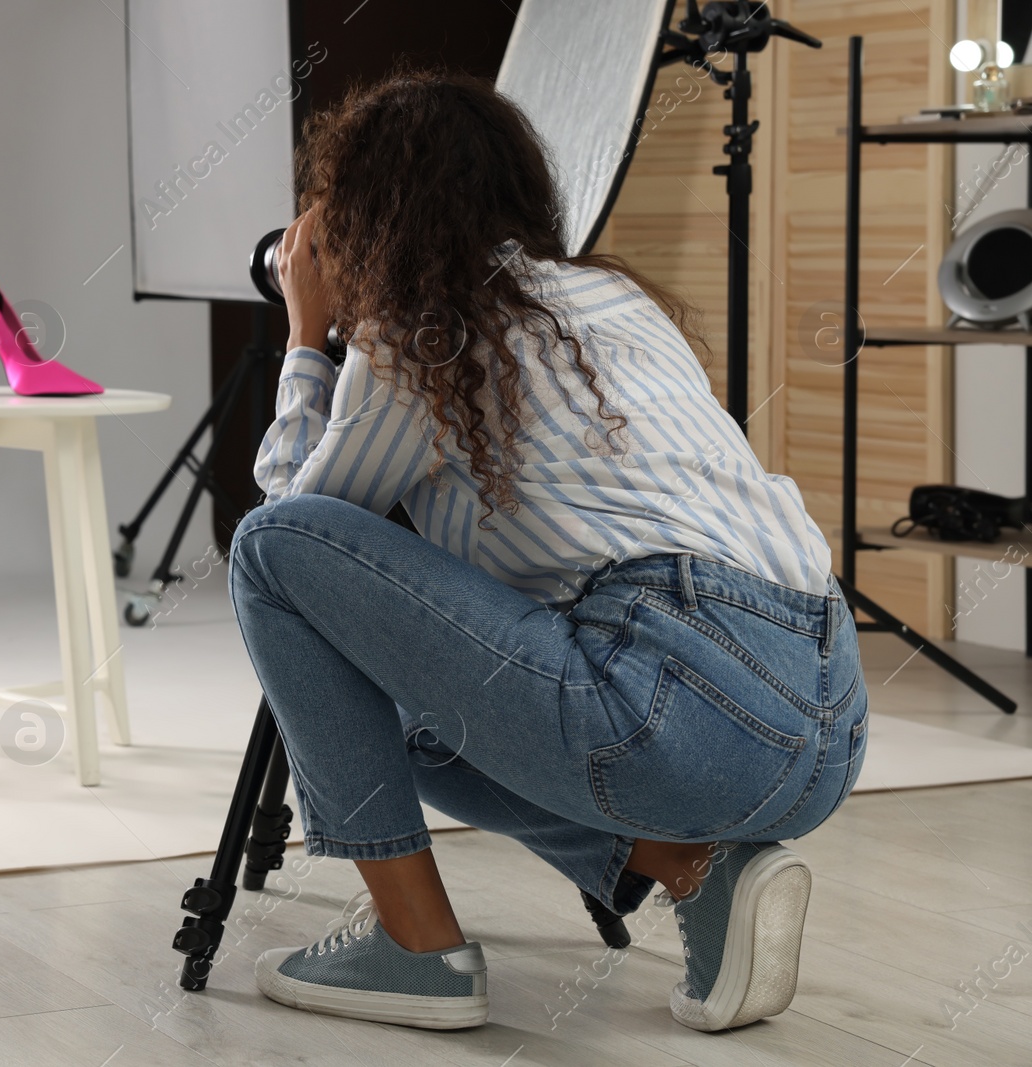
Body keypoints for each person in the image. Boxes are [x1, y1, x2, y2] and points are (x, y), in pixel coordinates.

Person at [228, 69, 866, 1034]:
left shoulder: (421, 329)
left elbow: (298, 531)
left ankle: (416, 948)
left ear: (368, 217)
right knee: (408, 725)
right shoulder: (609, 296)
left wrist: (308, 338)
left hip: (676, 704)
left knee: (265, 549)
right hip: (829, 717)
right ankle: (699, 869)